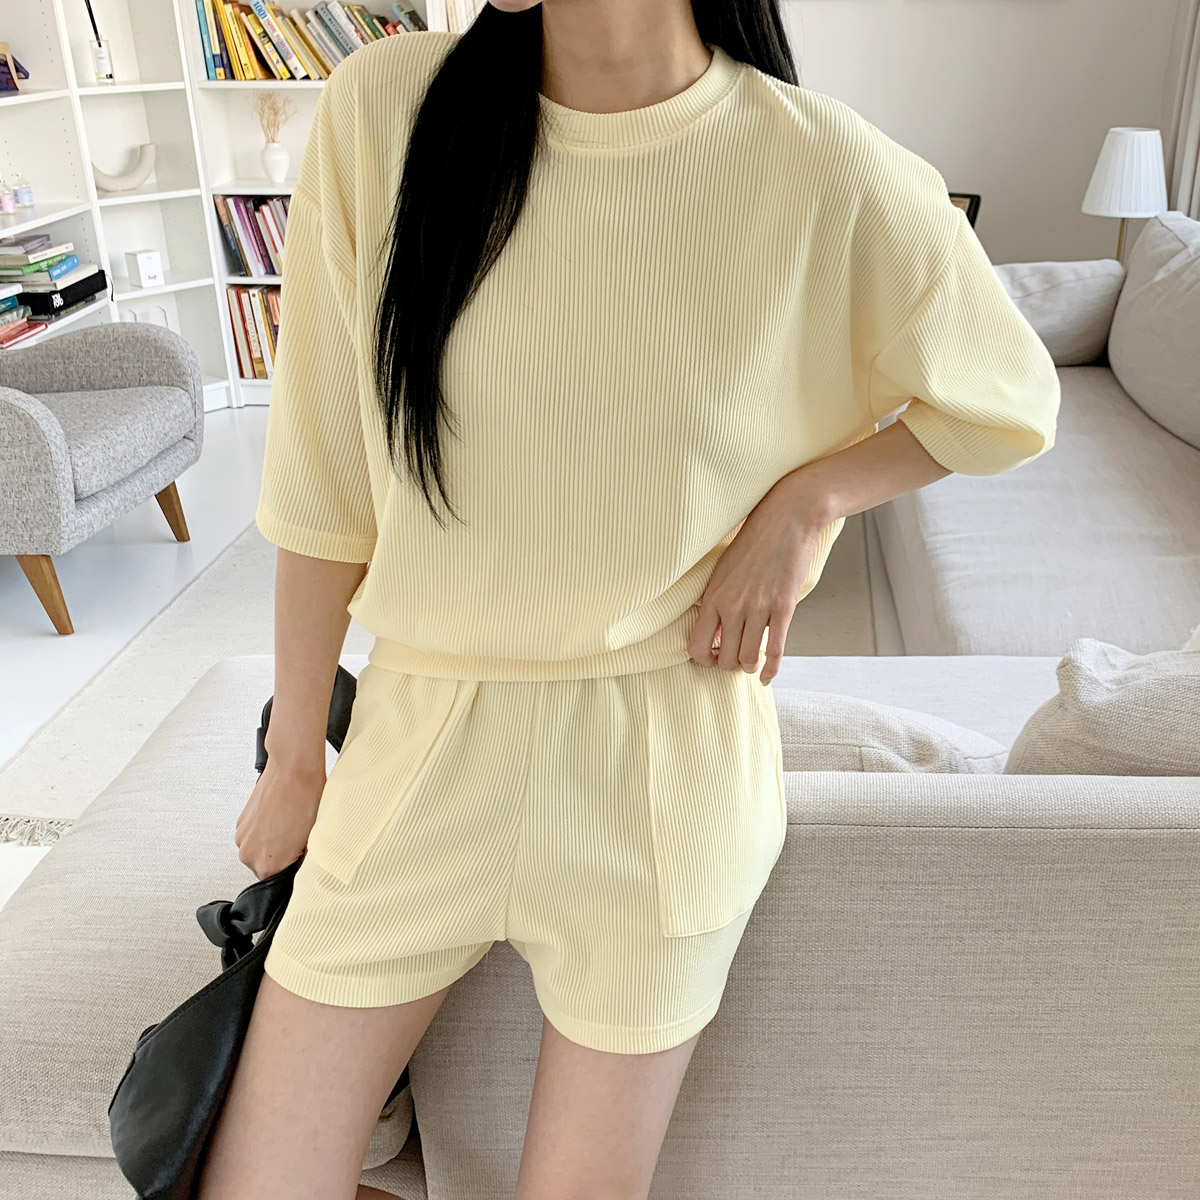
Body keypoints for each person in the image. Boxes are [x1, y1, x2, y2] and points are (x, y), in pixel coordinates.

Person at [197, 1, 1060, 1197]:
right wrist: (296, 755)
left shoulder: (820, 165)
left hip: (667, 767)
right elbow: (323, 483)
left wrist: (810, 500)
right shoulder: (385, 109)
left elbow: (1008, 400)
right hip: (417, 745)